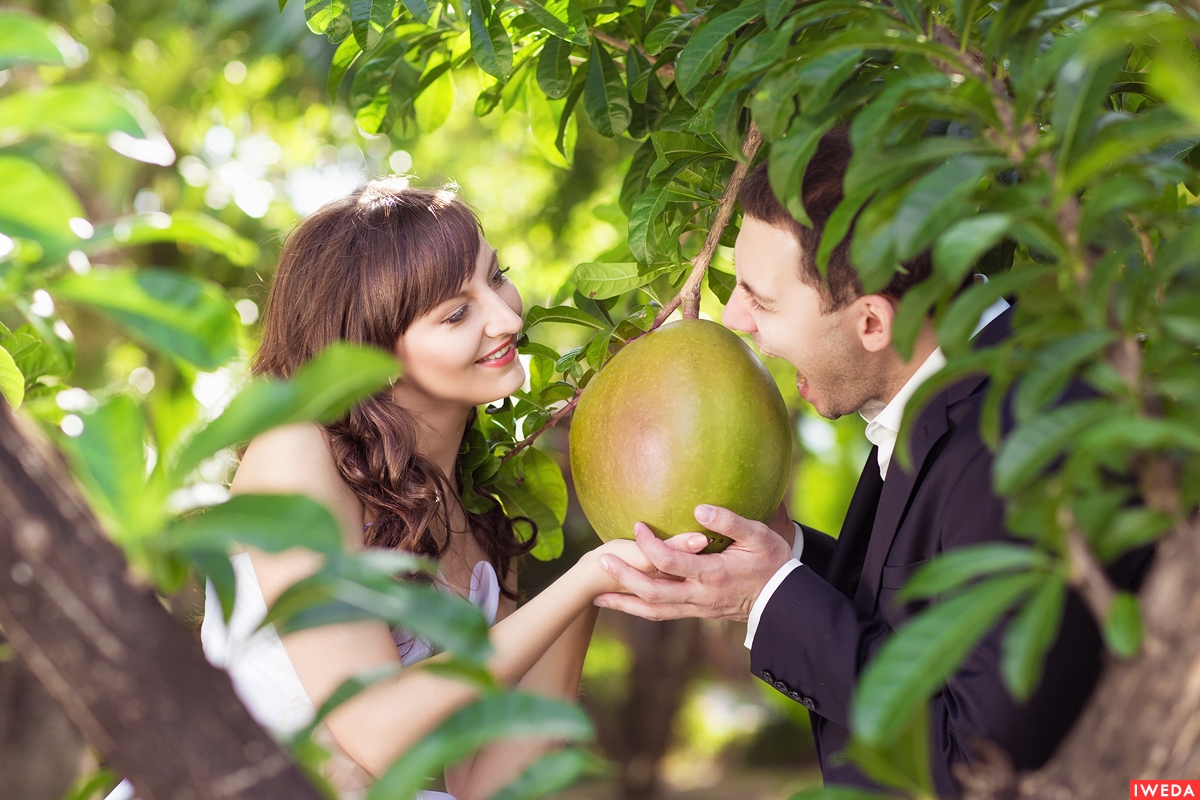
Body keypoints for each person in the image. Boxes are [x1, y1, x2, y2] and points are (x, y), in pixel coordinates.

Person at [591, 130, 1151, 797]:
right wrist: (780, 557)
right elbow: (914, 622)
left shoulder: (1025, 443)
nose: (735, 319)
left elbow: (975, 766)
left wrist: (769, 597)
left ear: (872, 325)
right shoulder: (960, 393)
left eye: (762, 299)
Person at [107, 178, 659, 800]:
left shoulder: (468, 516)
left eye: (497, 276)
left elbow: (492, 785)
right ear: (372, 351)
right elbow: (373, 728)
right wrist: (581, 583)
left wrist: (602, 586)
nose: (507, 317)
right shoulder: (298, 456)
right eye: (456, 313)